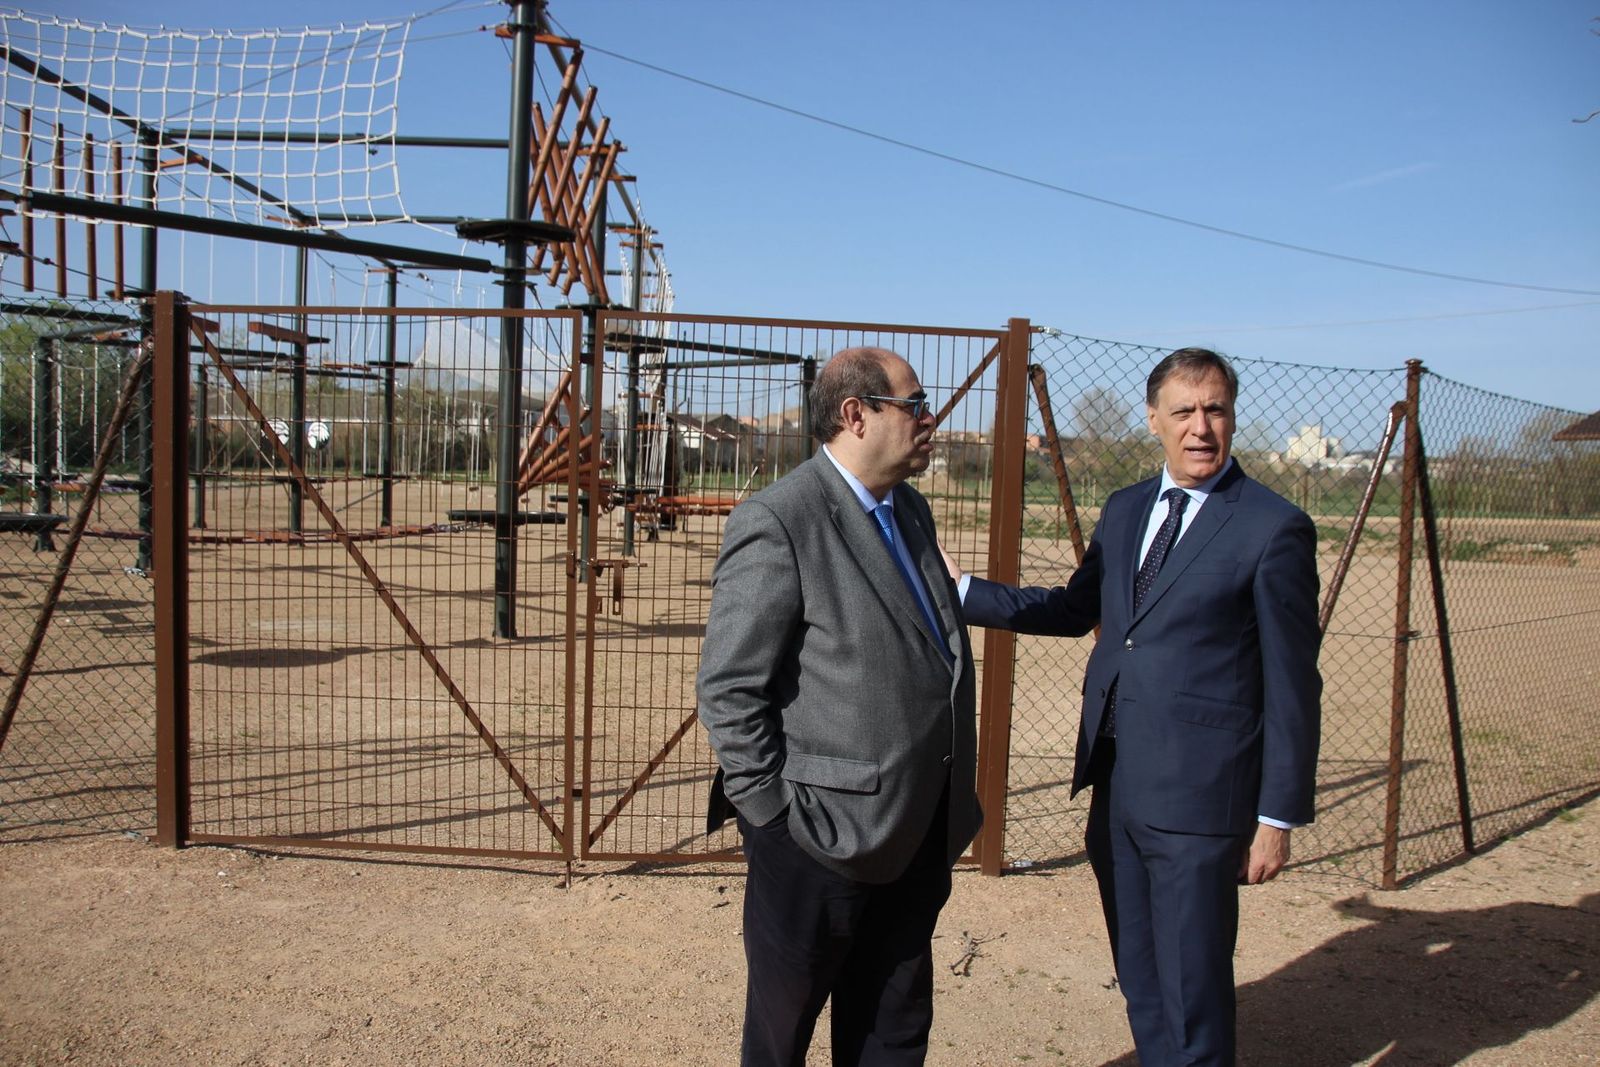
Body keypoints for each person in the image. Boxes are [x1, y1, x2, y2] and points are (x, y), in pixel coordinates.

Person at [950, 347, 1321, 1066]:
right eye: (1184, 411)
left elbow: (1294, 681)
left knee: (1193, 993)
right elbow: (1073, 608)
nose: (1201, 427)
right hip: (1117, 789)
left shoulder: (1273, 527)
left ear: (1233, 416)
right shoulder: (1124, 511)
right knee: (1144, 980)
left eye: (1215, 409)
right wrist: (966, 590)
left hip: (1201, 803)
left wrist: (1275, 817)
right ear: (1155, 420)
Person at [697, 346, 981, 1066]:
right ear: (856, 414)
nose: (930, 417)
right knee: (782, 1033)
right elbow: (730, 689)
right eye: (914, 404)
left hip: (912, 832)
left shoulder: (908, 509)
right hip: (815, 844)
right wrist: (774, 815)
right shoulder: (781, 519)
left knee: (892, 1029)